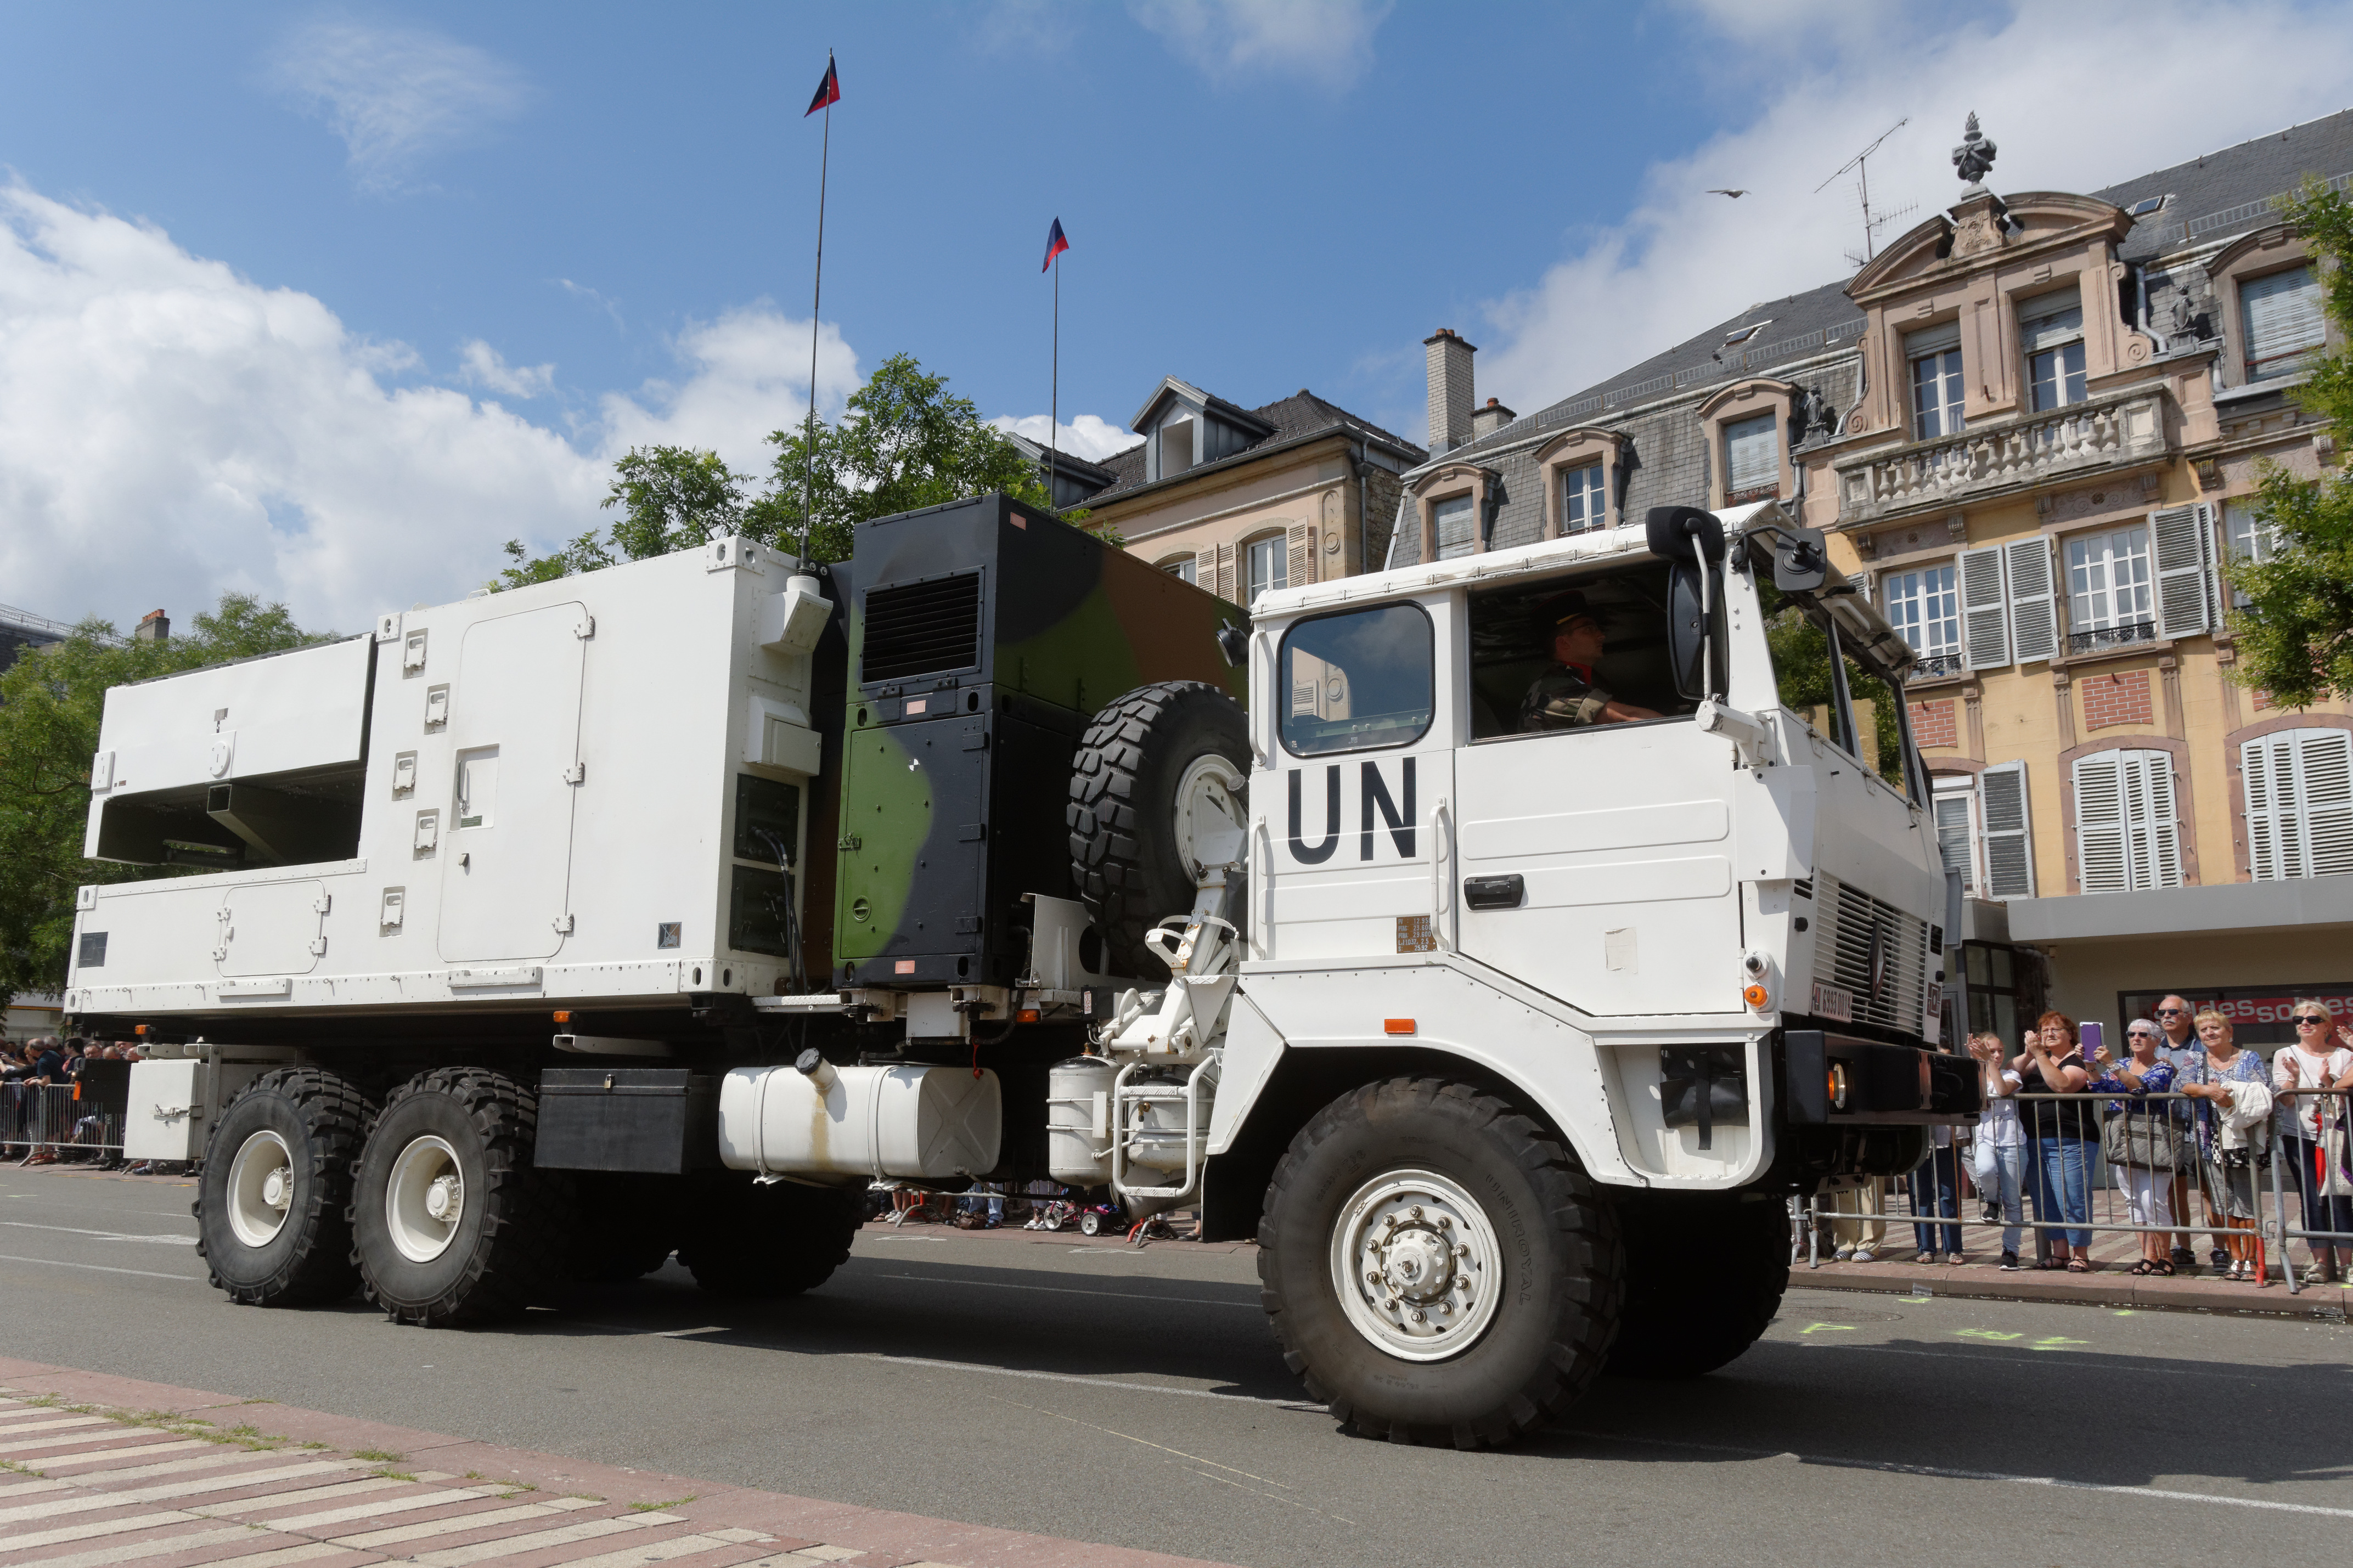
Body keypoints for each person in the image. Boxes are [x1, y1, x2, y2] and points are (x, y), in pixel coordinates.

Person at [2179, 1009, 2273, 1283]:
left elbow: (2264, 1089)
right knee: (2223, 1202)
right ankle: (2236, 1258)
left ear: (2229, 1031)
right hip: (2211, 1140)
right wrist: (2209, 1091)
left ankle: (2253, 1259)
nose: (2209, 1033)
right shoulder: (2195, 1059)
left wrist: (2230, 1094)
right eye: (2204, 1030)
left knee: (2247, 1202)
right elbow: (2183, 1084)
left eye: (2215, 1028)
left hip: (2245, 1140)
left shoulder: (2249, 1057)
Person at [2271, 999, 2353, 1285]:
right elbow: (2289, 1101)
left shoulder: (2343, 1055)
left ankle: (2348, 1264)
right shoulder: (2285, 1054)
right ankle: (2320, 1263)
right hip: (2300, 1136)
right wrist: (2293, 1080)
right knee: (2311, 1199)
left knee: (2340, 1197)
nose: (2305, 1023)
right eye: (2298, 1020)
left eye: (2313, 1019)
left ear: (2327, 1026)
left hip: (2337, 1135)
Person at [2088, 1018, 2177, 1276]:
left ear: (2157, 1040)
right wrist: (2090, 1065)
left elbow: (2140, 1088)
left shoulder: (2163, 1068)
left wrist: (2110, 1064)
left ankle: (2166, 1257)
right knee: (2133, 1201)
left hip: (2155, 1139)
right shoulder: (2124, 1064)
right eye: (2132, 1034)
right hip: (2124, 1137)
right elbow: (2099, 1087)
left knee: (2154, 1200)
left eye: (2143, 1034)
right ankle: (2148, 1256)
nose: (2136, 1038)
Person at [2016, 1012, 2096, 1271]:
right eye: (2045, 1030)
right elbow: (2012, 1072)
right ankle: (2060, 1253)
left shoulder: (2077, 1060)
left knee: (2072, 1198)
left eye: (2056, 1030)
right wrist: (2031, 1053)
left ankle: (2080, 1254)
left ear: (2070, 1035)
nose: (2049, 1034)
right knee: (2045, 1199)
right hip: (2035, 1138)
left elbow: (2062, 1085)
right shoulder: (2037, 1060)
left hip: (2071, 1140)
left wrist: (2040, 1055)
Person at [1519, 594, 1660, 731]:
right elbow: (1629, 717)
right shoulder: (1553, 688)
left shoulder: (1585, 680)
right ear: (1563, 642)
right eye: (1589, 629)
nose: (1601, 636)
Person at [2151, 995, 2208, 1270]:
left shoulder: (2203, 1045)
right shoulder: (2154, 1048)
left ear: (2188, 1016)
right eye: (2161, 1013)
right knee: (2174, 1193)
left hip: (2201, 1128)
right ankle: (2184, 1247)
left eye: (2173, 1012)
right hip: (2167, 1128)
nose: (2166, 1017)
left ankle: (2221, 1250)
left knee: (2210, 1192)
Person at [1967, 1033, 2030, 1270]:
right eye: (1991, 1051)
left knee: (2014, 1202)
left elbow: (2003, 1091)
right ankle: (1991, 1200)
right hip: (1985, 1140)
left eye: (2000, 1051)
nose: (1997, 1055)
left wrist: (1990, 1064)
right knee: (1984, 1169)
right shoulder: (1975, 1075)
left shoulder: (2011, 1073)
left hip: (2013, 1143)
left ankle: (2010, 1252)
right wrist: (1979, 1062)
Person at [1909, 1125, 1964, 1264]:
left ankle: (1954, 1249)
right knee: (1920, 1196)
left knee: (1950, 1193)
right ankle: (1926, 1249)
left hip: (1947, 1133)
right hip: (1915, 1136)